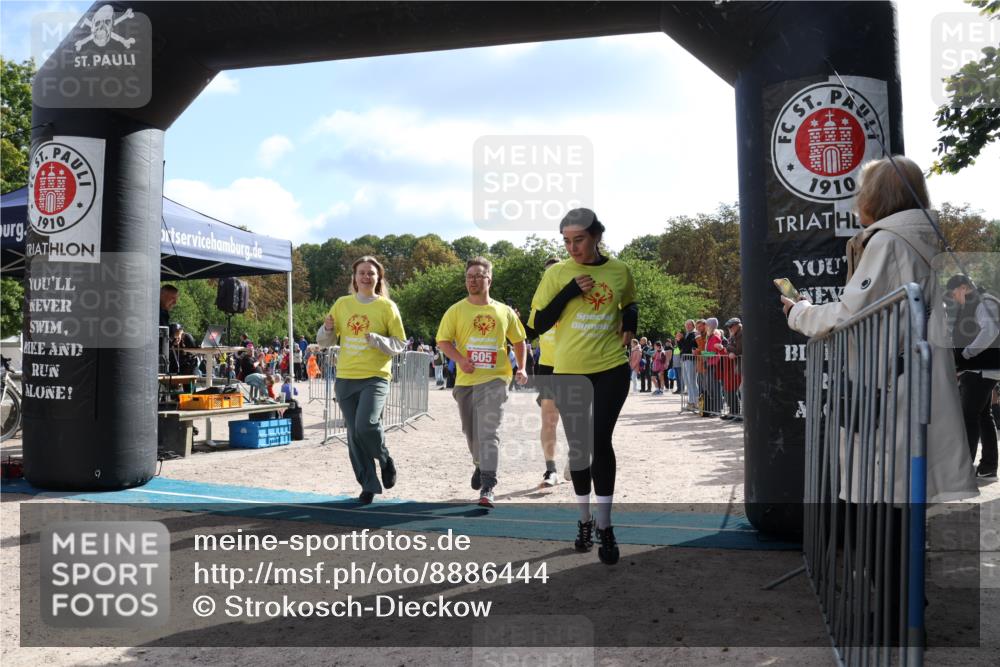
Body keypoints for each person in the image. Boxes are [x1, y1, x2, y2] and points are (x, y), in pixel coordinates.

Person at [782, 155, 976, 504]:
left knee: (886, 493)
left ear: (874, 196)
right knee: (905, 491)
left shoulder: (888, 242)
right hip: (910, 377)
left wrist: (800, 313)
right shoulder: (918, 241)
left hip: (889, 384)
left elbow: (849, 314)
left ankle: (879, 561)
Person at [529, 208, 636, 565]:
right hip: (569, 370)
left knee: (600, 440)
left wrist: (631, 323)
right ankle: (584, 520)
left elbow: (629, 302)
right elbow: (537, 324)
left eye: (579, 240)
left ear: (596, 237)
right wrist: (569, 292)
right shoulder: (558, 273)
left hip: (611, 367)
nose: (572, 248)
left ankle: (605, 526)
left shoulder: (619, 270)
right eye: (566, 241)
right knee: (578, 447)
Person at [437, 257, 528, 508]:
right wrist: (460, 360)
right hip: (466, 381)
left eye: (478, 276)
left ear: (489, 279)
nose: (473, 280)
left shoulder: (504, 311)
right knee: (471, 432)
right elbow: (443, 341)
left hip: (496, 378)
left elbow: (519, 341)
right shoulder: (456, 310)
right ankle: (479, 464)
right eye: (469, 277)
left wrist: (521, 367)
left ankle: (488, 485)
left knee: (489, 432)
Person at [317, 255, 407, 505]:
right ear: (354, 278)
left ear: (379, 278)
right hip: (346, 377)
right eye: (362, 273)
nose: (366, 277)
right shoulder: (342, 304)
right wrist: (325, 329)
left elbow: (400, 343)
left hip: (375, 376)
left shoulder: (387, 307)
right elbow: (326, 342)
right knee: (354, 433)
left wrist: (379, 340)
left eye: (371, 273)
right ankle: (368, 484)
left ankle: (385, 458)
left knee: (366, 425)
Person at [947, 274, 1000, 480]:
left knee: (969, 416)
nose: (955, 298)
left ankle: (965, 468)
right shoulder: (982, 301)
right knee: (982, 415)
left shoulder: (984, 301)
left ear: (963, 288)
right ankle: (988, 466)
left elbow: (991, 330)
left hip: (980, 369)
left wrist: (967, 354)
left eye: (954, 293)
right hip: (982, 369)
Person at [523, 255, 566, 487]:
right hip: (548, 366)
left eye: (555, 273)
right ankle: (550, 470)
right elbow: (525, 333)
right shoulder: (539, 306)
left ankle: (578, 459)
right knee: (549, 420)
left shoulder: (574, 299)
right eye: (546, 275)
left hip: (575, 364)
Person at [722, 317, 743, 421]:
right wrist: (729, 347)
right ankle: (736, 413)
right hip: (738, 365)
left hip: (743, 365)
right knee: (740, 390)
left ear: (736, 325)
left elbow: (739, 350)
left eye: (731, 326)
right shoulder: (735, 335)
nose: (729, 329)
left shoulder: (741, 334)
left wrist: (728, 347)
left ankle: (741, 415)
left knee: (742, 390)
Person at [678, 320, 698, 407]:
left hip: (691, 359)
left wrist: (681, 339)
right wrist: (679, 340)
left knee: (692, 381)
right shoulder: (686, 334)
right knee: (687, 381)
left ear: (693, 326)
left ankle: (695, 401)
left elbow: (688, 346)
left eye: (689, 325)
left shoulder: (694, 334)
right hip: (684, 359)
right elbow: (681, 348)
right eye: (686, 325)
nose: (687, 326)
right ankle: (691, 401)